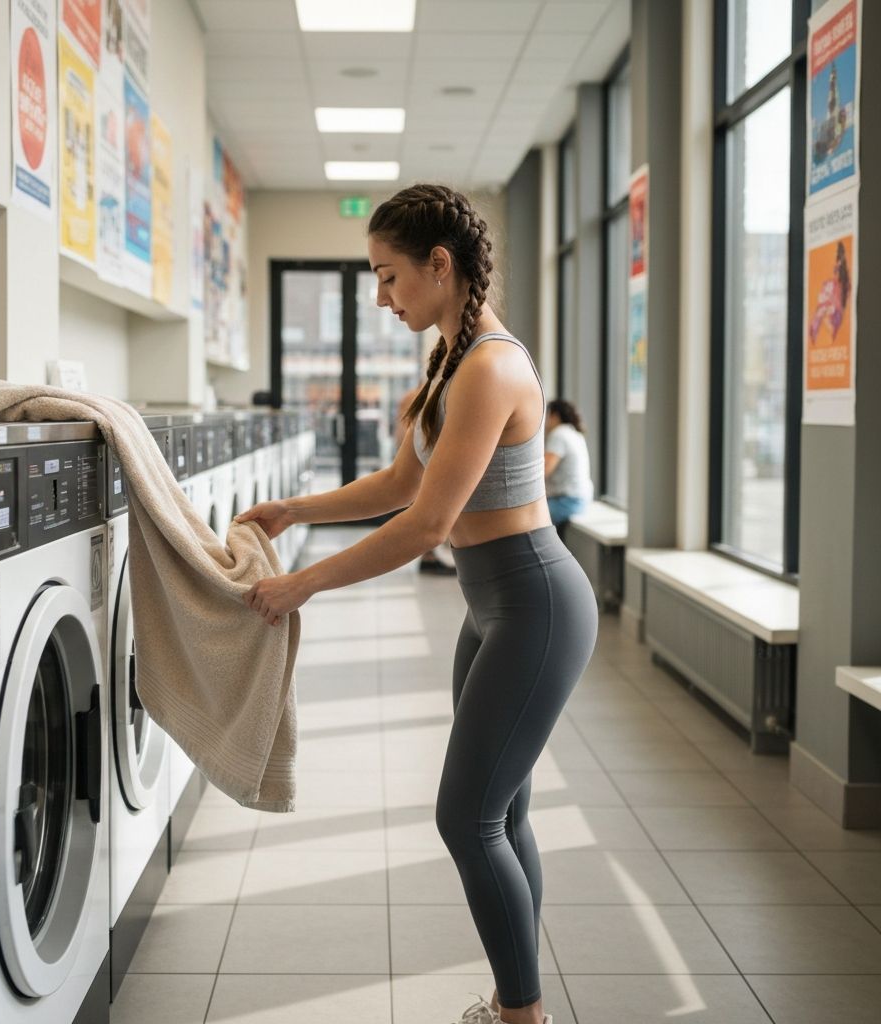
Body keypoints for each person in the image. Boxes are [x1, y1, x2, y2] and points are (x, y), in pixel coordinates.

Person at [235, 183, 598, 1024]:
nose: (381, 297)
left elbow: (427, 523)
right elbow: (404, 481)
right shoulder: (450, 359)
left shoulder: (493, 365)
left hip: (535, 602)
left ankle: (522, 1016)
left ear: (441, 265)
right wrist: (297, 511)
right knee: (501, 813)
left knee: (466, 819)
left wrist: (302, 584)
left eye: (390, 276)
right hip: (493, 605)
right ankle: (523, 1002)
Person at [395, 382, 457, 574]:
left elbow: (400, 431)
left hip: (412, 452)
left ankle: (427, 556)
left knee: (422, 505)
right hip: (424, 453)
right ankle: (429, 555)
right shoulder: (429, 398)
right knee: (429, 509)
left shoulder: (409, 397)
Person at [543, 399, 593, 529]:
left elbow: (544, 470)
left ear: (554, 416)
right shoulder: (574, 433)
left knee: (525, 520)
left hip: (566, 502)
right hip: (580, 499)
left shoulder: (559, 434)